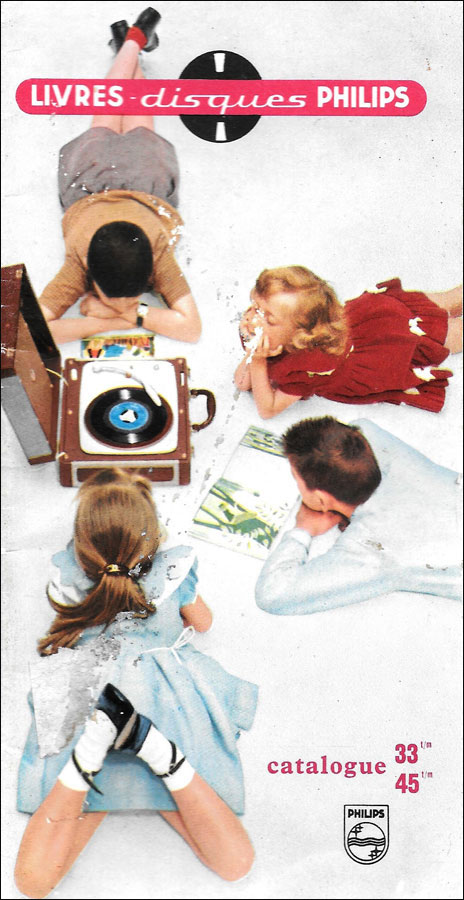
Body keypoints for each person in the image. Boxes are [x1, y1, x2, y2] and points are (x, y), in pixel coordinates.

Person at [15, 469, 257, 897]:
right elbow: (203, 622)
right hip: (169, 700)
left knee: (33, 882)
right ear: (152, 536)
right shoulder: (174, 570)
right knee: (235, 864)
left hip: (93, 695)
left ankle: (89, 755)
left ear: (83, 545)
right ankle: (157, 748)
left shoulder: (67, 573)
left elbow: (66, 632)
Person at [39, 10, 202, 345]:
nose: (123, 306)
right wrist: (122, 318)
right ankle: (131, 44)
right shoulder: (82, 260)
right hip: (130, 182)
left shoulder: (156, 253)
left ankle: (131, 44)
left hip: (98, 181)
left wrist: (117, 313)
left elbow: (192, 330)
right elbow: (31, 333)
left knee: (117, 104)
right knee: (125, 108)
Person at [255, 416, 462, 614]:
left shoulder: (372, 551)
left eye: (295, 479)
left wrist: (302, 530)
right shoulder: (370, 439)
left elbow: (272, 595)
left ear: (321, 500)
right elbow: (358, 426)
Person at [234, 266, 462, 418]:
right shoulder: (277, 338)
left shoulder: (308, 367)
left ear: (300, 335)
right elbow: (242, 382)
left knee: (449, 329)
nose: (252, 318)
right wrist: (254, 352)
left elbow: (268, 409)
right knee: (438, 307)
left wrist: (258, 361)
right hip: (368, 321)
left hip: (380, 352)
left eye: (268, 318)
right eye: (255, 307)